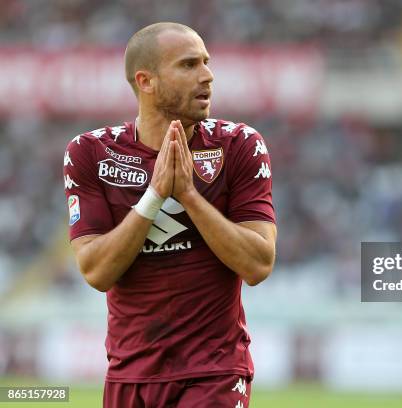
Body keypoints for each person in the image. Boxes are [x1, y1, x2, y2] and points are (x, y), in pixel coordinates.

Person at [62, 22, 276, 408]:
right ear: (147, 81)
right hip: (130, 374)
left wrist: (189, 196)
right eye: (189, 65)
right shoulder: (89, 153)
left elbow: (259, 263)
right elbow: (96, 271)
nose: (207, 75)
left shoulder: (240, 145)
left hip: (216, 372)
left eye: (207, 63)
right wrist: (155, 195)